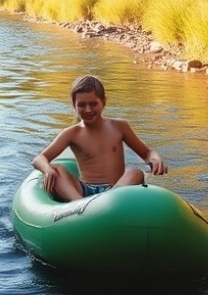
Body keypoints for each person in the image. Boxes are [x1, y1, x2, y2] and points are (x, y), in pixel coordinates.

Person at [31, 75, 167, 201]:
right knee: (56, 169)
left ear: (104, 102)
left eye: (93, 104)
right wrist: (48, 170)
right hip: (85, 190)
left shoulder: (120, 127)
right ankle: (80, 205)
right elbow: (39, 159)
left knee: (135, 173)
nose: (88, 110)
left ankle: (106, 202)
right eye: (82, 105)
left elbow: (146, 153)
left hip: (117, 188)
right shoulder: (72, 133)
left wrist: (155, 159)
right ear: (74, 105)